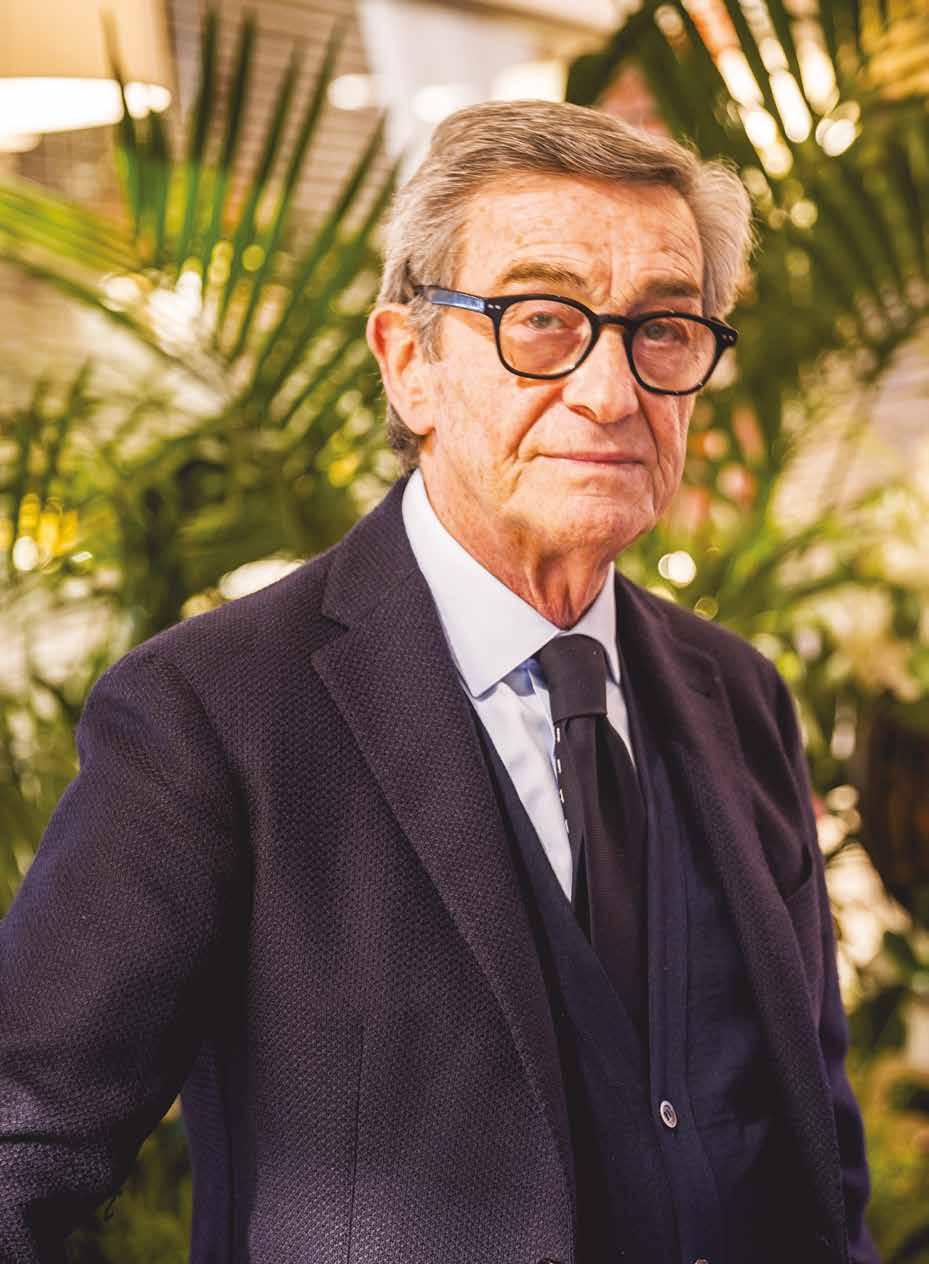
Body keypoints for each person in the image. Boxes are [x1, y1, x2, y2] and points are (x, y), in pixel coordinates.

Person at [0, 99, 876, 1264]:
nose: (610, 393)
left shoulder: (740, 694)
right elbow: (21, 1144)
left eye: (662, 328)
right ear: (409, 364)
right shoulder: (212, 713)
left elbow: (816, 1154)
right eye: (540, 320)